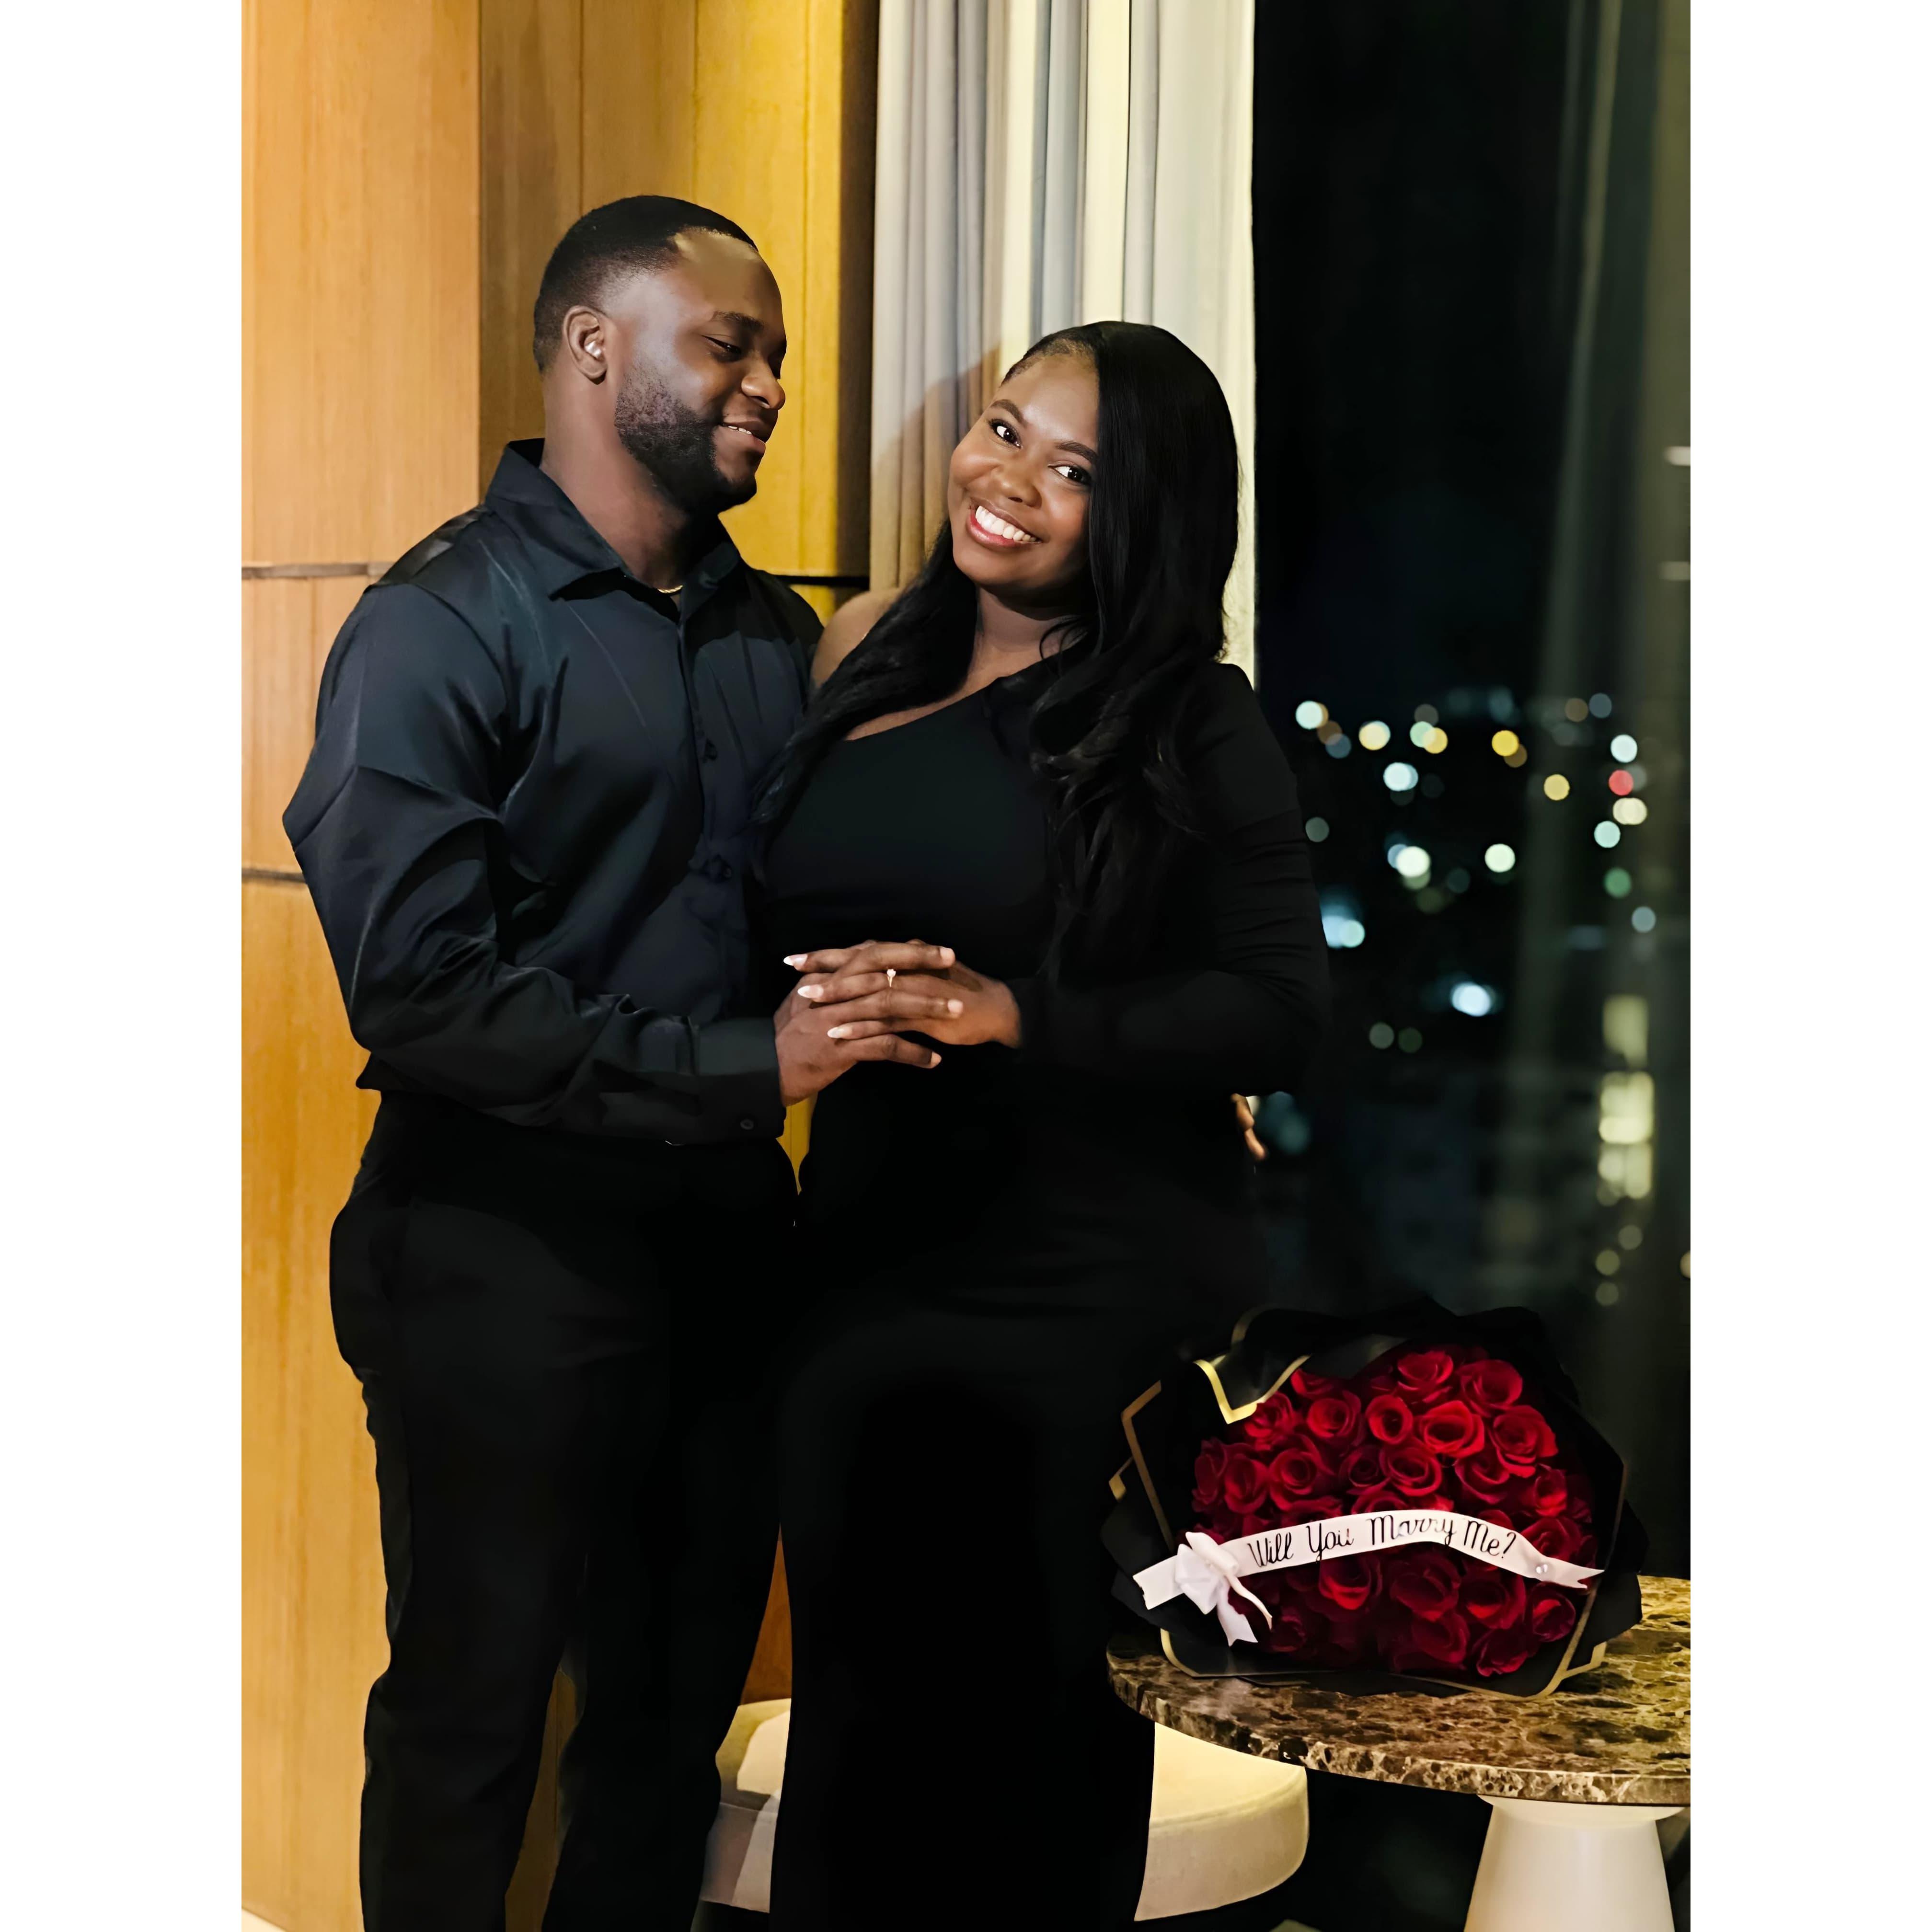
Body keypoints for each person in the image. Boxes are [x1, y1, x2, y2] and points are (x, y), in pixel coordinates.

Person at [283, 196, 938, 1932]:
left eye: (779, 353)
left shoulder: (770, 635)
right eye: (732, 345)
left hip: (724, 1242)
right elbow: (418, 989)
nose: (771, 384)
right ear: (593, 347)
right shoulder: (440, 621)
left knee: (664, 1737)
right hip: (493, 1241)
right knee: (470, 1724)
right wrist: (745, 1062)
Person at [758, 322, 1331, 1927]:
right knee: (858, 1749)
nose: (1007, 479)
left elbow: (1284, 1010)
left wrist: (1022, 1013)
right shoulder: (862, 648)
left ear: (1137, 517)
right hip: (860, 1273)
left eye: (1074, 469)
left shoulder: (1185, 716)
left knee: (1027, 1774)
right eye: (1006, 427)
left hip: (1074, 1304)